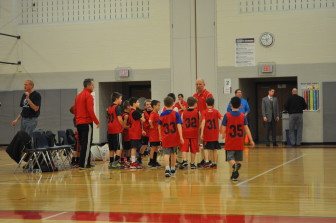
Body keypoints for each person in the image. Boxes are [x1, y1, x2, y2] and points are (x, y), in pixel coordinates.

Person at [221, 97, 255, 181]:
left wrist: (223, 134)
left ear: (230, 105)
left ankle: (233, 166)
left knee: (230, 158)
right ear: (240, 106)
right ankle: (234, 175)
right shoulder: (243, 116)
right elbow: (247, 129)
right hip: (239, 141)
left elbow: (223, 128)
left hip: (230, 141)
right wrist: (251, 140)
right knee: (237, 159)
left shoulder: (227, 115)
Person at [74, 78, 100, 170]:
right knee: (87, 144)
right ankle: (84, 164)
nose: (94, 86)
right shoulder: (88, 96)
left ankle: (85, 163)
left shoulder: (78, 96)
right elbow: (90, 111)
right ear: (88, 85)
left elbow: (75, 110)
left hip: (79, 123)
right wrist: (96, 121)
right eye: (93, 85)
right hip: (86, 123)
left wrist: (76, 122)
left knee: (83, 143)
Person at [158, 96, 184, 177]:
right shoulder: (176, 113)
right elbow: (179, 125)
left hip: (165, 136)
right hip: (174, 136)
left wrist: (160, 136)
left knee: (166, 153)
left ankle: (167, 169)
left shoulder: (162, 114)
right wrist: (181, 136)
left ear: (164, 105)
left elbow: (159, 126)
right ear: (173, 104)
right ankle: (173, 168)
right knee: (173, 153)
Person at [193, 78, 214, 167]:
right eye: (197, 84)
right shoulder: (194, 96)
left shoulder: (208, 95)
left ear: (204, 84)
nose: (198, 86)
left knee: (206, 141)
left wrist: (204, 121)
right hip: (197, 122)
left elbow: (211, 109)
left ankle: (208, 160)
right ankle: (204, 159)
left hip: (205, 122)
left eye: (200, 84)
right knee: (201, 142)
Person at [200, 97, 223, 169]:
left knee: (206, 148)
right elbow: (222, 118)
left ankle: (207, 162)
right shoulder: (216, 111)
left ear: (206, 104)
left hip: (207, 133)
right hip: (215, 133)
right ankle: (214, 163)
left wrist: (201, 133)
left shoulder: (204, 111)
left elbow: (203, 121)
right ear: (213, 104)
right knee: (215, 148)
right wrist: (223, 127)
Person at [180, 97, 200, 169]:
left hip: (185, 132)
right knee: (193, 148)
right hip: (194, 132)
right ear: (195, 104)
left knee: (184, 147)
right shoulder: (197, 112)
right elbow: (200, 121)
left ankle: (185, 160)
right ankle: (192, 163)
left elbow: (181, 122)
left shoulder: (183, 112)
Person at [107, 92, 126, 169]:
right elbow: (119, 119)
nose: (121, 100)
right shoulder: (117, 107)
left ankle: (111, 163)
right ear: (116, 99)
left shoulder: (109, 108)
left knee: (111, 148)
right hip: (117, 129)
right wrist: (124, 126)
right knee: (119, 147)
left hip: (110, 129)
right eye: (121, 98)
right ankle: (116, 162)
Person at [128, 97, 146, 169]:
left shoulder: (132, 112)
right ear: (134, 103)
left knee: (134, 148)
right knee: (134, 148)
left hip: (134, 132)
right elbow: (143, 120)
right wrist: (143, 115)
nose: (139, 103)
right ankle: (132, 163)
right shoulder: (135, 112)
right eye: (138, 102)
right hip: (134, 133)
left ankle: (133, 162)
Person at [148, 100, 162, 168]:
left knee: (156, 147)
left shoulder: (157, 114)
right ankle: (151, 161)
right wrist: (151, 125)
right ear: (154, 106)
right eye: (158, 105)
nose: (159, 107)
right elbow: (150, 120)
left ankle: (155, 161)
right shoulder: (152, 113)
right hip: (153, 134)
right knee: (153, 148)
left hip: (157, 134)